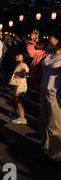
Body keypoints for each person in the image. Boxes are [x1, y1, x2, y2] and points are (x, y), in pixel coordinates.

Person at [39, 30, 61, 163]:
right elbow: (32, 51)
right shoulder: (50, 52)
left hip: (56, 94)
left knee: (55, 126)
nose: (50, 38)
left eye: (53, 37)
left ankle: (56, 155)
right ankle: (45, 146)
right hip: (44, 91)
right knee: (43, 122)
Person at [8, 51, 30, 125]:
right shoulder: (18, 64)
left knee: (18, 101)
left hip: (21, 86)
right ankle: (15, 112)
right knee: (15, 99)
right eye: (17, 55)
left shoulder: (24, 65)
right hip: (16, 85)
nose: (16, 56)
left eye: (19, 55)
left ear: (23, 58)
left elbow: (25, 74)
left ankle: (22, 118)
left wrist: (22, 74)